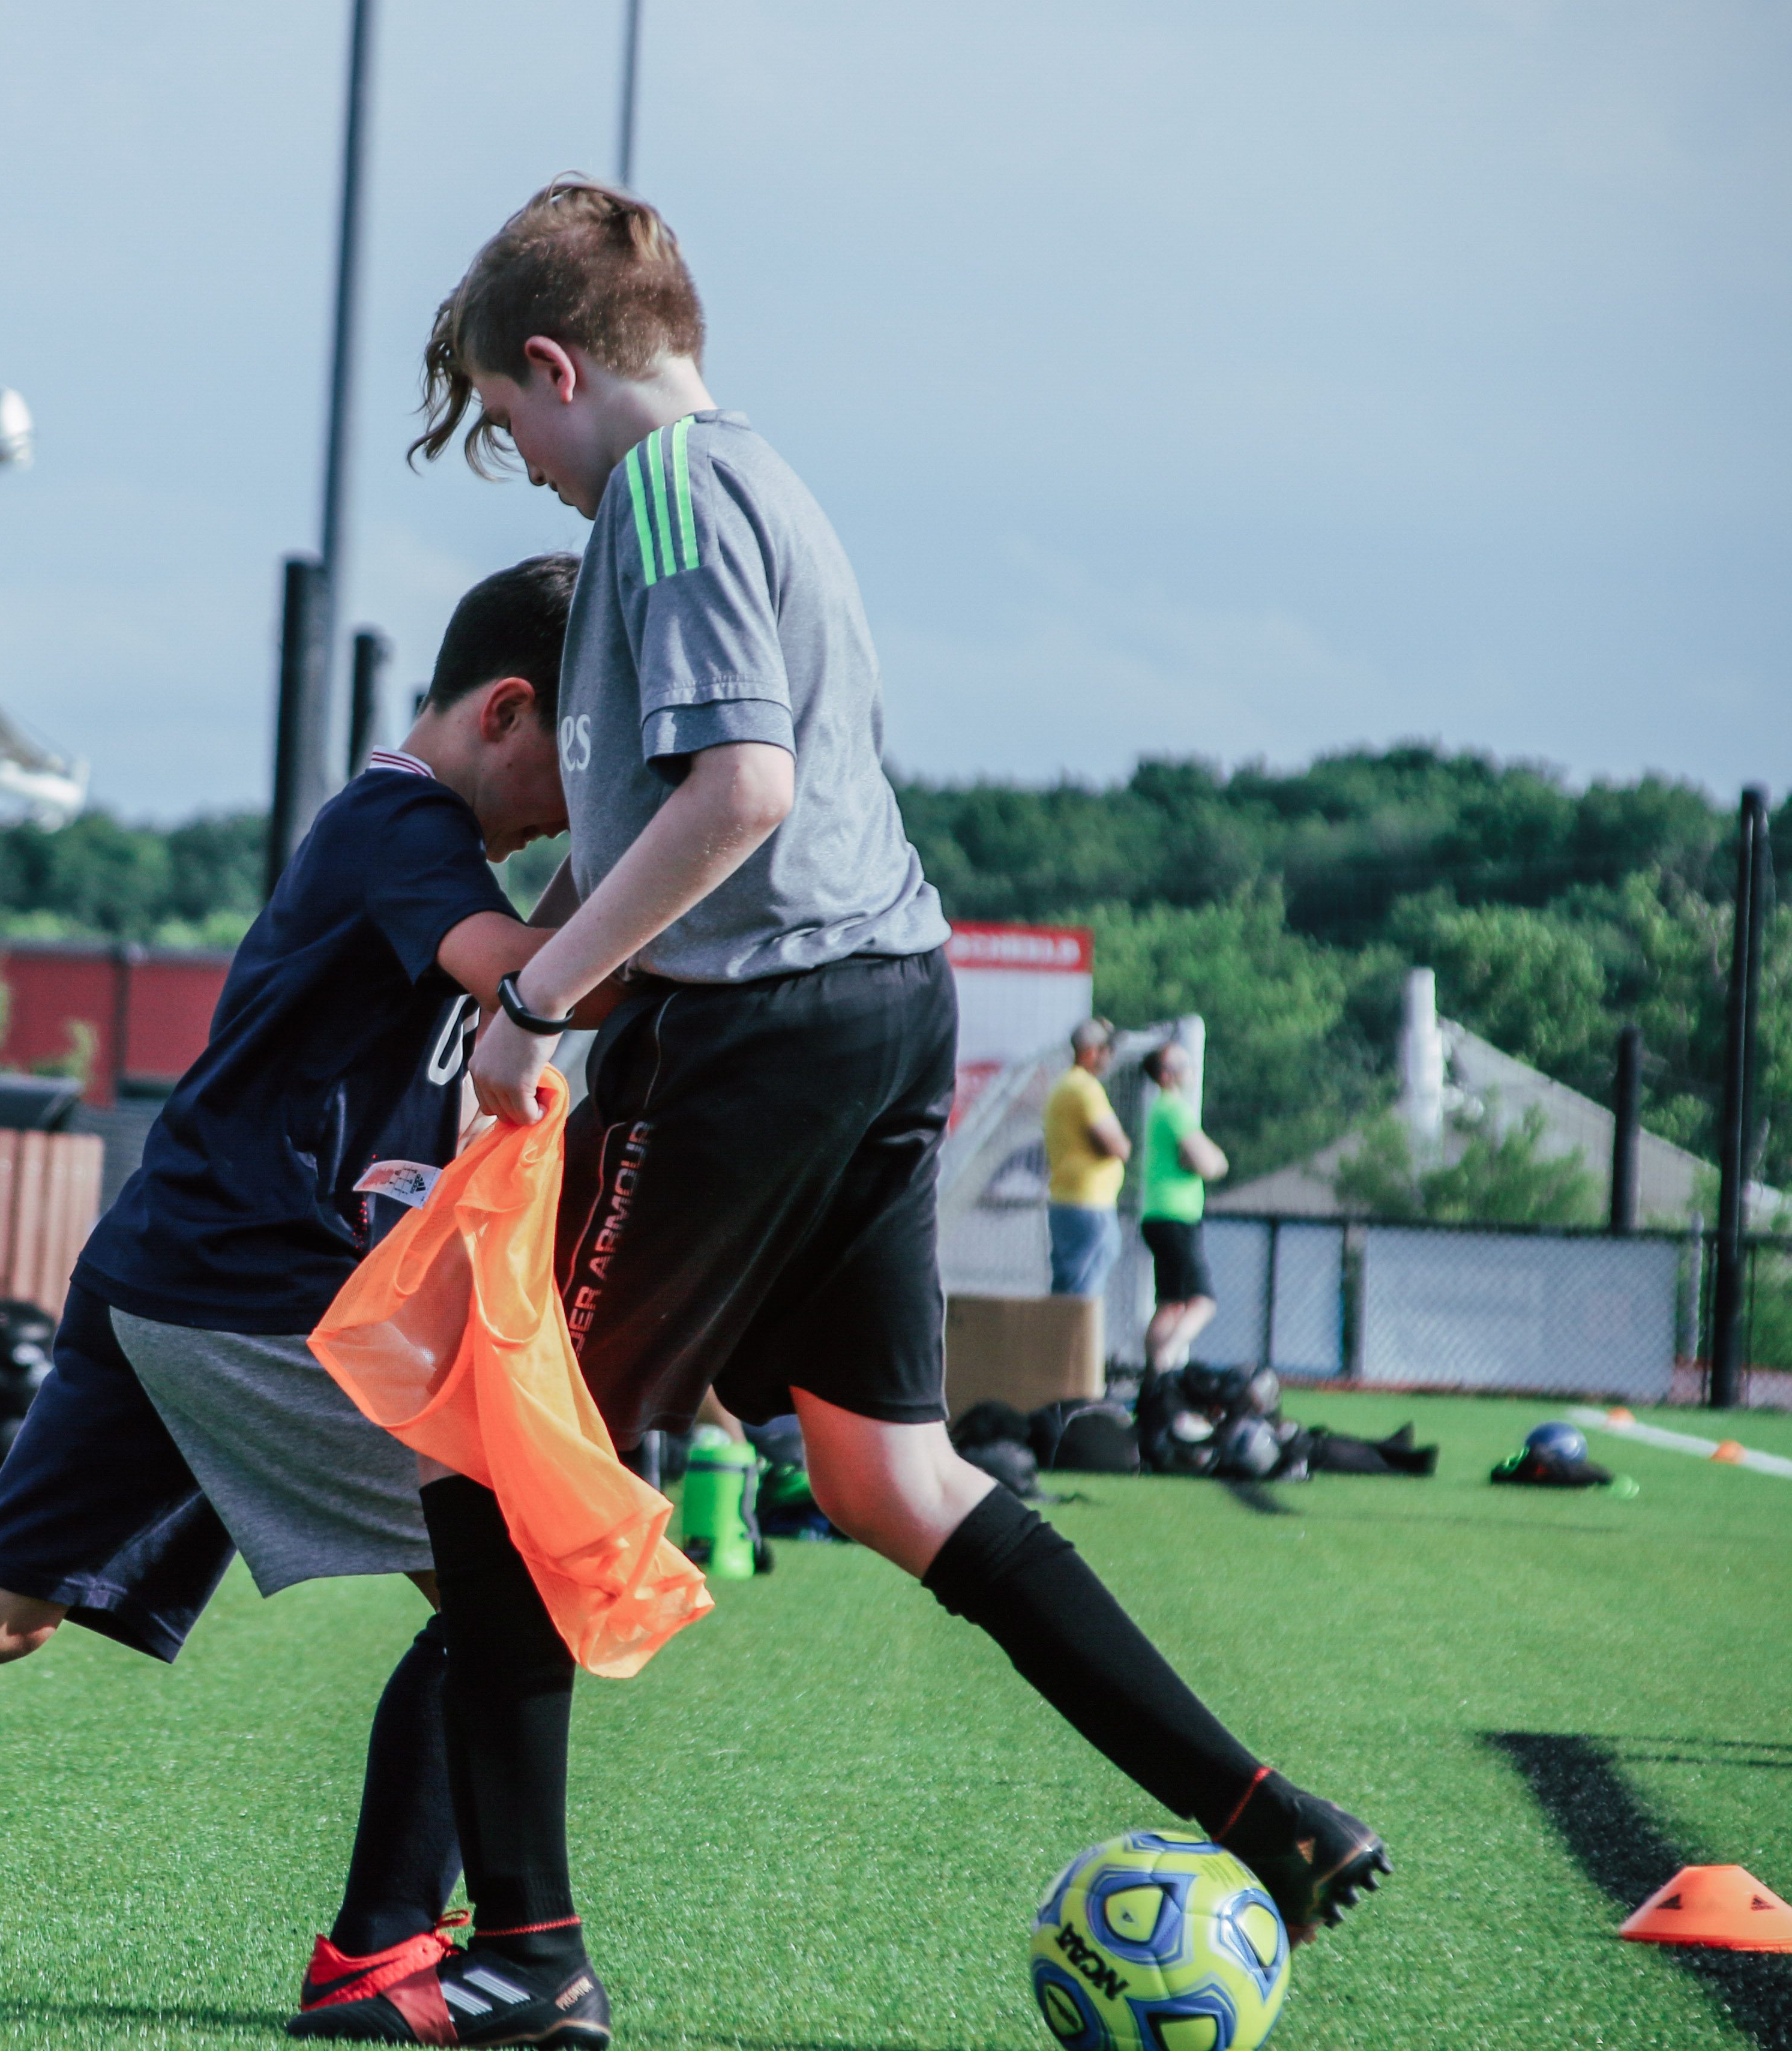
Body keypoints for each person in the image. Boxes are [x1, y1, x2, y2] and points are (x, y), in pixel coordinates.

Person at [294, 177, 1385, 2046]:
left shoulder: (667, 494)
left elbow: (741, 795)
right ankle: (1266, 1815)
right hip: (886, 1005)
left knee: (502, 1465)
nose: (523, 469)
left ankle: (527, 1960)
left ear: (558, 369)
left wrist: (541, 999)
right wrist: (545, 965)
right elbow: (664, 829)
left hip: (770, 1031)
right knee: (894, 1477)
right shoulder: (760, 478)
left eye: (505, 422)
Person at [0, 559, 579, 2025]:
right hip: (238, 1288)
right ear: (508, 708)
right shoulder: (404, 820)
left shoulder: (415, 832)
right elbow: (527, 976)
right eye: (578, 768)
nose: (576, 812)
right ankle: (380, 1956)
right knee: (509, 1582)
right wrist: (681, 870)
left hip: (169, 1271)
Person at [1138, 1041, 1230, 1373]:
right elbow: (1211, 1163)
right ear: (1165, 1075)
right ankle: (1163, 1366)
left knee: (1170, 1305)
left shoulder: (1161, 1109)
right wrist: (1214, 1161)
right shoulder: (1174, 1109)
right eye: (1179, 1062)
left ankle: (1151, 1377)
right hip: (1177, 1218)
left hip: (1158, 1215)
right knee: (1202, 1302)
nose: (1188, 1066)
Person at [1044, 1016, 1129, 1300]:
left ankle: (1060, 1343)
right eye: (1108, 1050)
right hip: (1089, 1205)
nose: (1111, 1058)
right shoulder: (1085, 1089)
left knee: (1070, 1285)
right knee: (1082, 1293)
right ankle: (1074, 1345)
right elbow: (1117, 1146)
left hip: (1070, 1200)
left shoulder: (1065, 1086)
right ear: (1091, 1051)